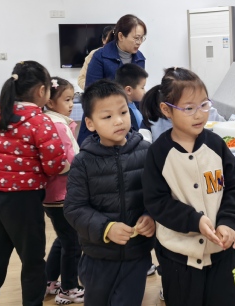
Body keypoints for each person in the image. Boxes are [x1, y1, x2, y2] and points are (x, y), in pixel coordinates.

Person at [142, 67, 235, 306]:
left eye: (204, 105)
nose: (199, 114)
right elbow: (157, 202)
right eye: (189, 108)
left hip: (222, 252)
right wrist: (195, 220)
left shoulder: (216, 145)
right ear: (166, 110)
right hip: (179, 259)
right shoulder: (159, 153)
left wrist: (228, 222)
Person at [0, 61, 69, 306]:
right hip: (25, 200)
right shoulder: (40, 121)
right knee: (32, 260)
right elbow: (54, 165)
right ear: (42, 91)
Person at [64, 80, 155, 306]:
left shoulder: (146, 153)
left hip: (136, 255)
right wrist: (106, 228)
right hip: (98, 257)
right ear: (90, 123)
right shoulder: (83, 162)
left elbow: (157, 197)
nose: (118, 121)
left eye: (123, 112)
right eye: (107, 116)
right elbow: (74, 208)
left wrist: (150, 216)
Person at [43, 76, 84, 304]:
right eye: (67, 100)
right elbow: (69, 159)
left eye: (72, 99)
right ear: (50, 102)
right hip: (62, 194)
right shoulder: (58, 125)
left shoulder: (52, 121)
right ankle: (69, 288)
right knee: (72, 243)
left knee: (63, 238)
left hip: (53, 195)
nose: (71, 104)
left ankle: (49, 280)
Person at [77, 14, 147, 145]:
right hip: (104, 117)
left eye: (142, 38)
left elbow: (137, 90)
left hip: (128, 116)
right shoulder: (100, 56)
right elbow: (91, 92)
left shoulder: (139, 58)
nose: (139, 42)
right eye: (136, 38)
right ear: (121, 36)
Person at [77, 25, 114, 91]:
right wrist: (95, 90)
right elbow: (81, 79)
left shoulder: (126, 55)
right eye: (109, 40)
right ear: (103, 40)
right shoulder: (95, 54)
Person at [115, 63, 148, 131]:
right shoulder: (124, 114)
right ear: (129, 90)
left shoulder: (136, 106)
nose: (145, 91)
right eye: (142, 88)